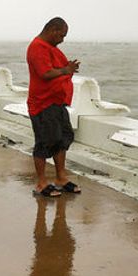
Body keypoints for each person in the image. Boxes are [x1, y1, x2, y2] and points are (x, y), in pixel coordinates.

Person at [26, 17, 81, 197]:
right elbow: (45, 73)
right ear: (53, 30)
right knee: (44, 142)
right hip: (42, 103)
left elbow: (59, 68)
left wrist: (68, 68)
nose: (62, 39)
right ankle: (41, 183)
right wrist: (66, 70)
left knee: (62, 138)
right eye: (62, 35)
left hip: (57, 102)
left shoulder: (51, 48)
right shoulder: (37, 47)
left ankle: (60, 179)